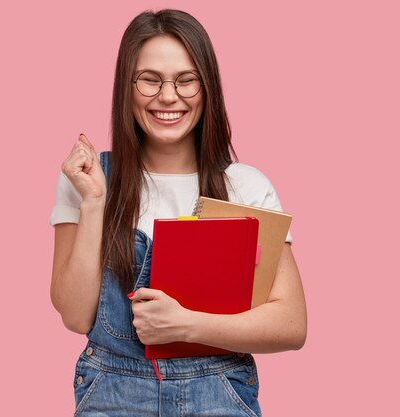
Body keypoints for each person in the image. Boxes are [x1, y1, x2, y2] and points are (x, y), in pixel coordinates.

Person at [49, 9, 307, 417]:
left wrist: (187, 325)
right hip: (113, 395)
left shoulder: (245, 186)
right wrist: (95, 202)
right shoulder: (88, 179)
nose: (168, 96)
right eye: (150, 79)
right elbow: (76, 316)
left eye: (186, 80)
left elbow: (291, 325)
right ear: (126, 88)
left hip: (219, 391)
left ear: (207, 88)